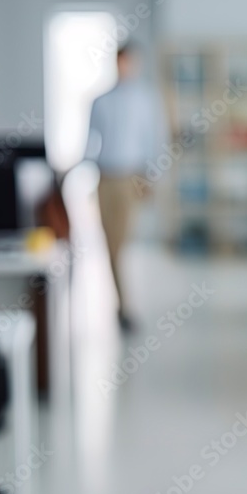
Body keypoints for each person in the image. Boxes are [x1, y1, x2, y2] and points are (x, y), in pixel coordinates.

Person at [85, 40, 168, 333]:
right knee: (111, 245)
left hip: (132, 179)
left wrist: (152, 179)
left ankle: (124, 305)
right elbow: (90, 143)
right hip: (105, 178)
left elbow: (155, 140)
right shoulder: (100, 101)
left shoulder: (147, 99)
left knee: (122, 245)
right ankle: (123, 306)